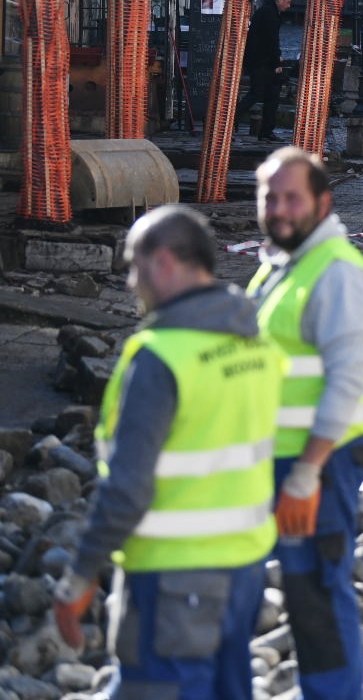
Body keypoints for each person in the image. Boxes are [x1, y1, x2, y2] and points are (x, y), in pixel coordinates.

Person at [54, 205, 283, 700]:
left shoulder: (161, 358)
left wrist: (79, 577)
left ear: (163, 263)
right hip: (243, 567)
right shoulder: (255, 343)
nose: (131, 282)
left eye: (134, 266)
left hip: (174, 579)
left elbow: (128, 488)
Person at [248, 148, 363, 700]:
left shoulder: (339, 272)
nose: (278, 209)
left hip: (316, 465)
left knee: (316, 593)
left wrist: (306, 473)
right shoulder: (282, 267)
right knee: (299, 591)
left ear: (323, 203)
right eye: (269, 197)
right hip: (277, 460)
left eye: (291, 198)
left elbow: (347, 380)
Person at [239, 0, 293, 142]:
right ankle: (234, 118)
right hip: (262, 62)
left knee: (271, 95)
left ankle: (266, 131)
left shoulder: (267, 11)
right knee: (258, 94)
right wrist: (276, 61)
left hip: (260, 60)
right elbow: (271, 40)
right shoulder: (270, 14)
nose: (288, 6)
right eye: (287, 2)